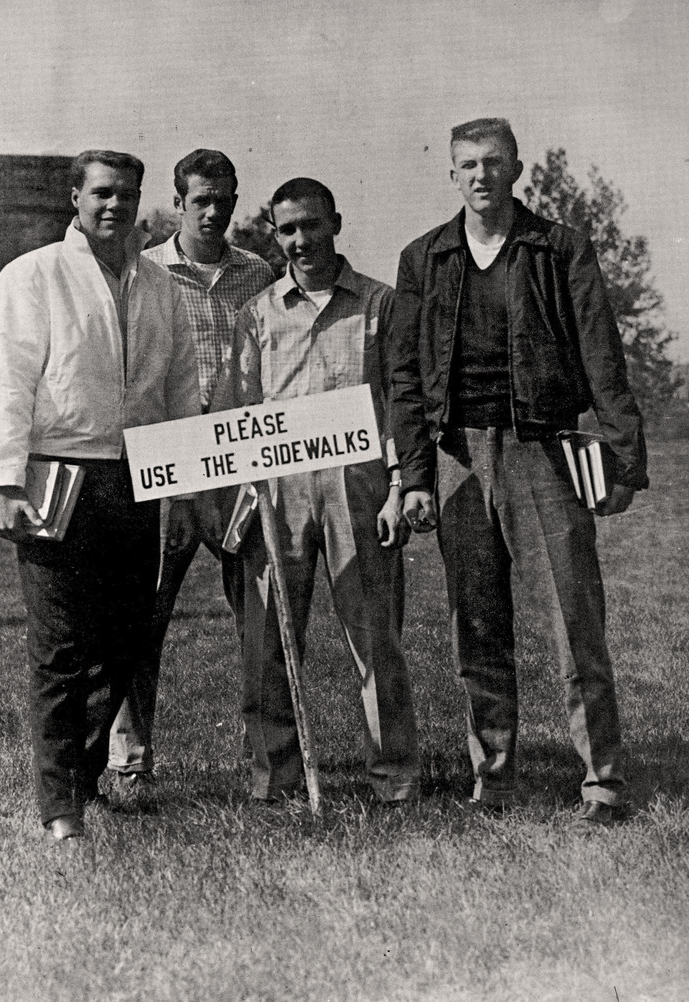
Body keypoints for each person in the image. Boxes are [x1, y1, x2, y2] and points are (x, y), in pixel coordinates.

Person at [390, 118, 648, 826]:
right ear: (451, 174)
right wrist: (416, 475)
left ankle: (601, 779)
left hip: (542, 450)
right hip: (455, 459)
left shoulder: (559, 248)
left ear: (516, 169)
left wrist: (624, 458)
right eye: (468, 164)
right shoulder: (424, 258)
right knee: (475, 623)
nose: (482, 175)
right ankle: (494, 777)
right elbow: (404, 378)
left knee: (574, 618)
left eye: (494, 161)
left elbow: (601, 355)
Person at [0, 150, 201, 841]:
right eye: (101, 192)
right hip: (57, 475)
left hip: (138, 477)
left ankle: (83, 774)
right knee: (61, 646)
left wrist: (186, 486)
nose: (115, 205)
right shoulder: (33, 274)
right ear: (75, 196)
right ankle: (60, 807)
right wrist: (3, 479)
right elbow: (9, 380)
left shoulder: (160, 285)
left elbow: (181, 388)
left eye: (127, 194)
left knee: (125, 643)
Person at [224, 177, 420, 803]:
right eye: (287, 229)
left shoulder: (380, 304)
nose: (301, 240)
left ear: (335, 222)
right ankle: (275, 777)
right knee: (269, 642)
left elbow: (401, 403)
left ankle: (393, 777)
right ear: (275, 235)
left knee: (374, 638)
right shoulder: (257, 313)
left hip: (356, 488)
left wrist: (398, 486)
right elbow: (240, 409)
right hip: (278, 492)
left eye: (312, 225)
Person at [108, 149, 274, 800]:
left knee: (258, 615)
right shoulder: (144, 273)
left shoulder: (257, 273)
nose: (214, 211)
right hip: (167, 458)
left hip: (239, 460)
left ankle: (267, 758)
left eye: (224, 200)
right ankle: (130, 759)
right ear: (178, 203)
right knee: (141, 615)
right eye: (202, 199)